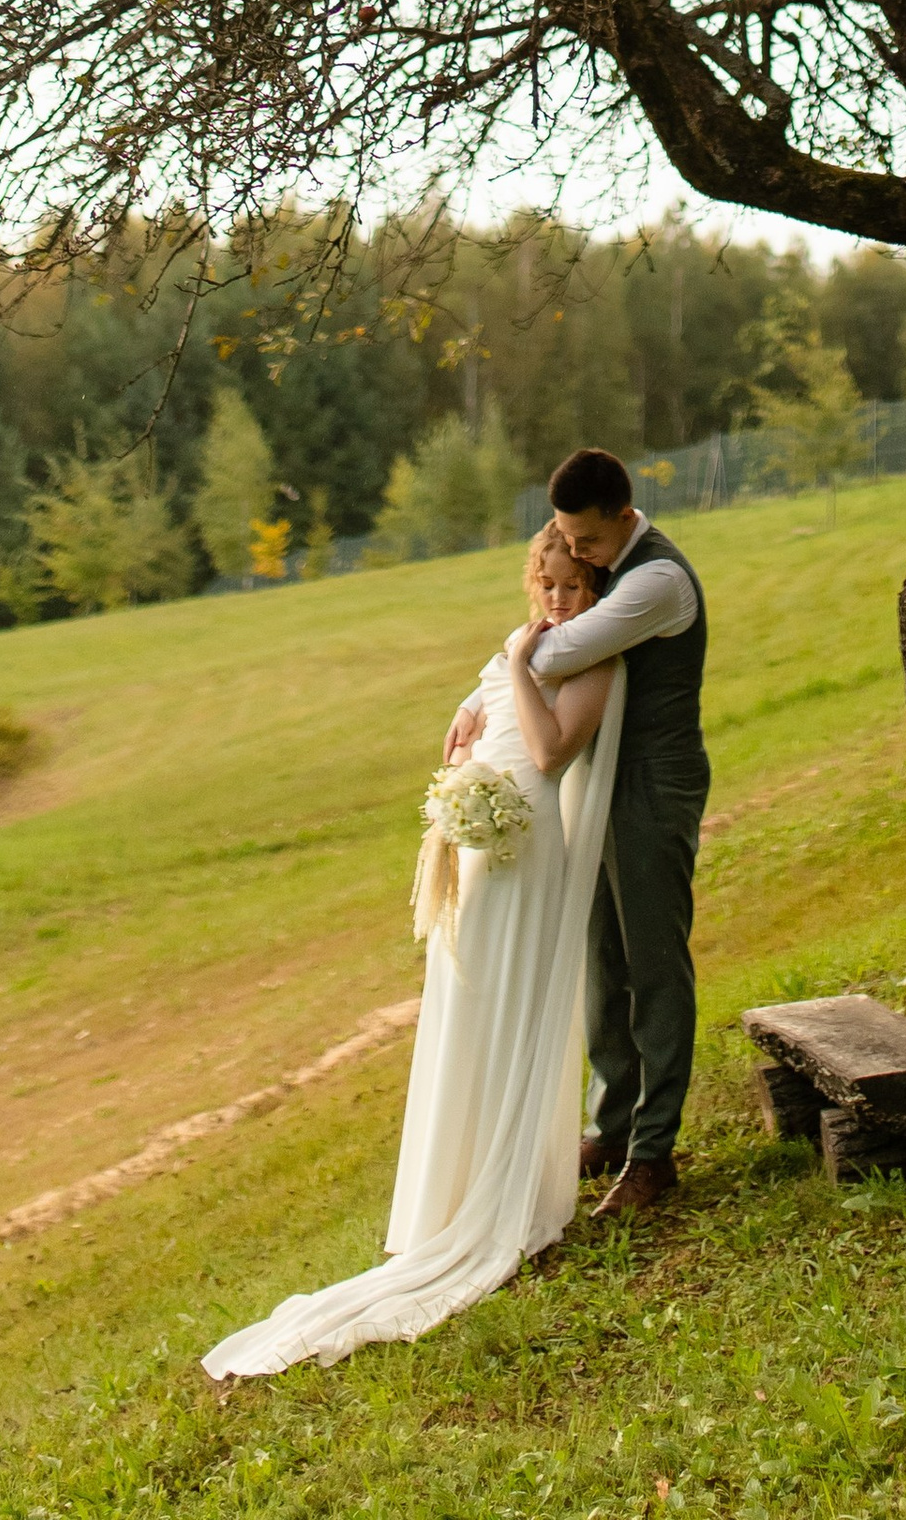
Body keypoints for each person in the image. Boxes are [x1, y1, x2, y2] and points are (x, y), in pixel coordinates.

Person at [201, 524, 622, 1373]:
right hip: (483, 845)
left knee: (510, 1005)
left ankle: (504, 1192)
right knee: (464, 1006)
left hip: (528, 844)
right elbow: (478, 719)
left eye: (573, 588)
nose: (557, 600)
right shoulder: (520, 642)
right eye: (546, 585)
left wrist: (516, 667)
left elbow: (550, 751)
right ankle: (446, 1193)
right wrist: (468, 726)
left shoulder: (591, 659)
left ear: (595, 591)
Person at [444, 443, 708, 1217]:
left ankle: (653, 1153)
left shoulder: (656, 580)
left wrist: (497, 671)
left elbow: (557, 647)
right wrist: (474, 701)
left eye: (587, 540)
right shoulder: (604, 565)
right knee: (600, 963)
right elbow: (547, 637)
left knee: (653, 964)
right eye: (564, 538)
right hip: (594, 785)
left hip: (652, 785)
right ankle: (610, 1127)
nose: (577, 553)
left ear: (624, 516)